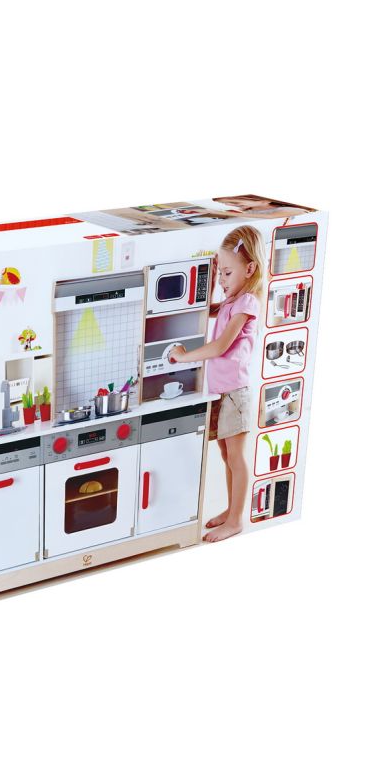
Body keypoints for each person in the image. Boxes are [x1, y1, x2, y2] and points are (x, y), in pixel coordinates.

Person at [169, 226, 264, 542]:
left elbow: (221, 346)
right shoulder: (230, 300)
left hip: (235, 393)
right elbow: (203, 310)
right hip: (220, 392)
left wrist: (185, 357)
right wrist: (210, 280)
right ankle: (229, 510)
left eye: (227, 273)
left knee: (236, 457)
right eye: (220, 272)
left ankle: (235, 520)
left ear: (249, 269)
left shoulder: (246, 303)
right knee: (225, 454)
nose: (222, 279)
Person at [212, 194, 310, 219]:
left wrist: (217, 212)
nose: (230, 205)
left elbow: (270, 216)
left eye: (234, 202)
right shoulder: (250, 211)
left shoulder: (295, 210)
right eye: (226, 203)